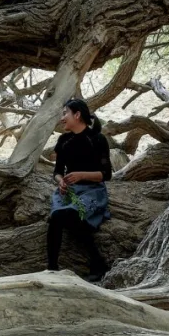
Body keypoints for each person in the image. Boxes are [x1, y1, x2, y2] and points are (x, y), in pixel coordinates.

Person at [47, 98, 113, 281]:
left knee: (69, 215)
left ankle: (97, 263)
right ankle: (51, 268)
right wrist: (61, 182)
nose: (62, 118)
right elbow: (57, 172)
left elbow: (106, 174)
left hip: (93, 190)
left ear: (77, 115)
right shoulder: (63, 140)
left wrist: (81, 175)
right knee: (56, 217)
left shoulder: (97, 139)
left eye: (65, 113)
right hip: (69, 191)